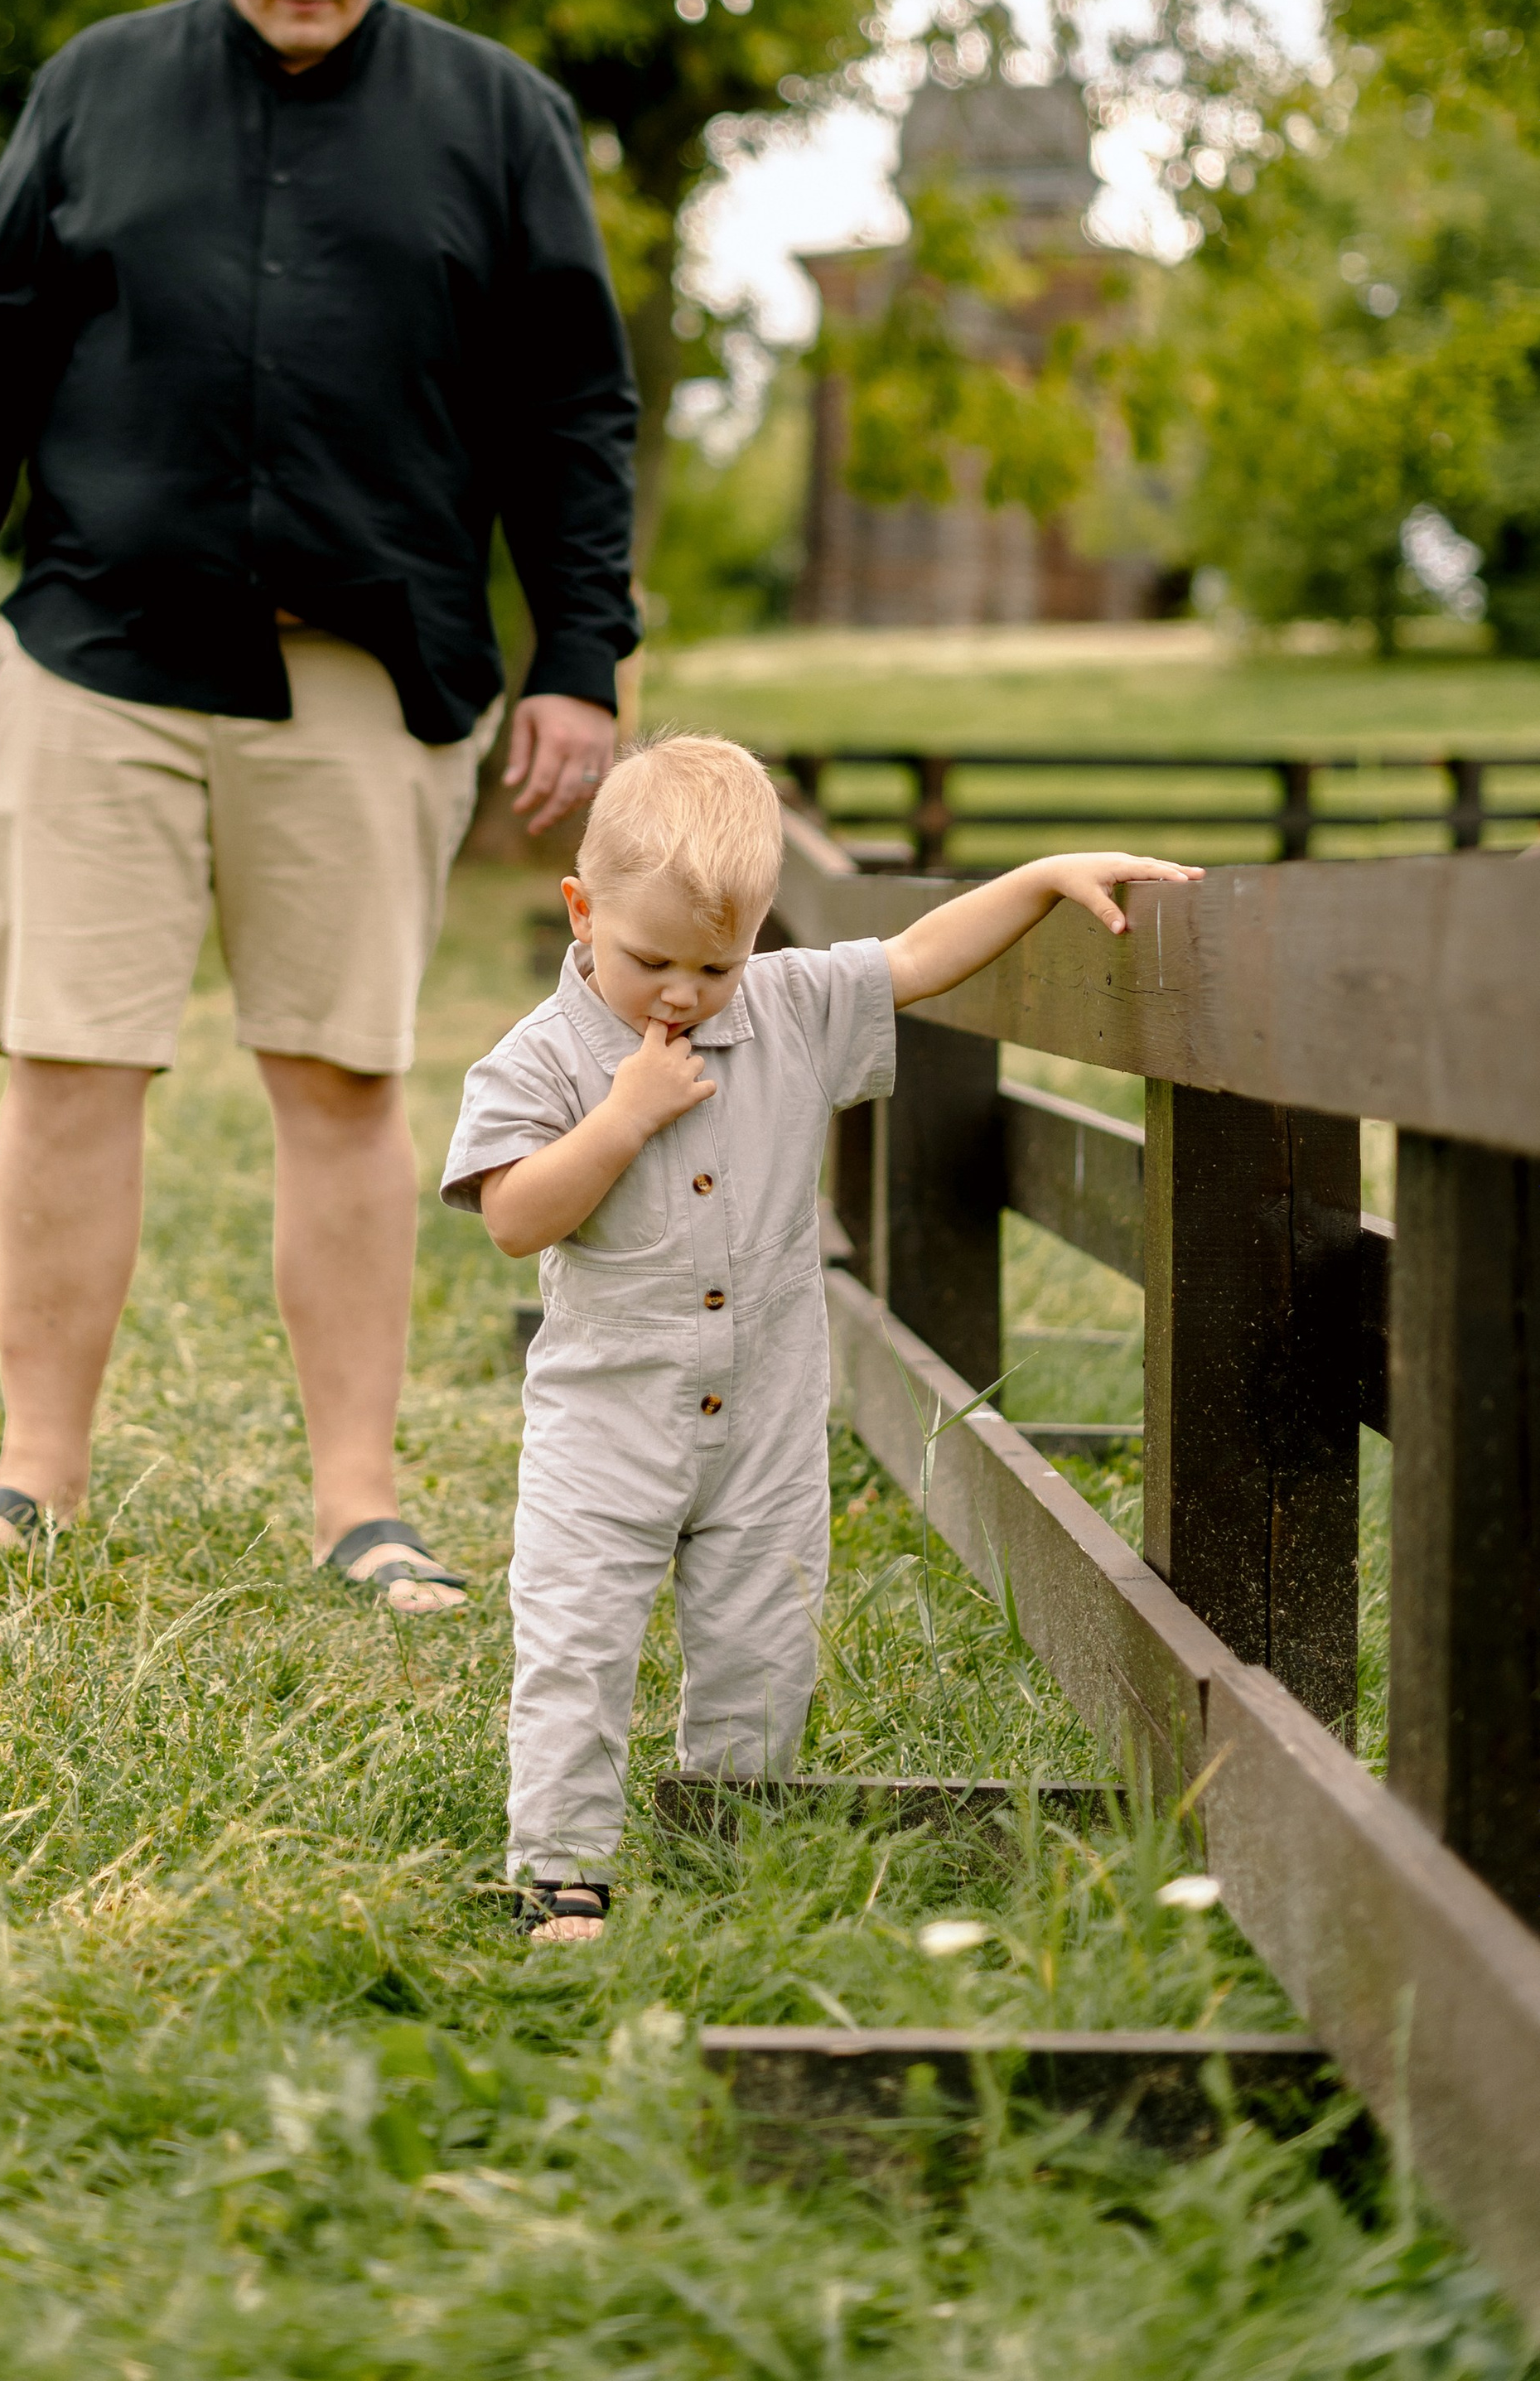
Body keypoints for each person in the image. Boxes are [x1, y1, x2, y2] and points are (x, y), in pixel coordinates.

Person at [0, 0, 639, 1611]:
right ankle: (32, 1474)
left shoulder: (496, 115)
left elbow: (571, 411)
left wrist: (580, 652)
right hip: (99, 659)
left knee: (344, 1081)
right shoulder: (97, 88)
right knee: (66, 1072)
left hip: (371, 677)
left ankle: (356, 1501)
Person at [441, 733, 1200, 1938]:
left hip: (767, 1420)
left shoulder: (788, 1008)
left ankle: (729, 1828)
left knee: (762, 1637)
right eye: (651, 961)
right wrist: (623, 1120)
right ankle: (564, 1862)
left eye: (716, 963)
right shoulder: (538, 1061)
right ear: (582, 911)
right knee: (579, 1641)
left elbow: (913, 956)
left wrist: (1044, 873)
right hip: (606, 1427)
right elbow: (516, 1220)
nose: (683, 992)